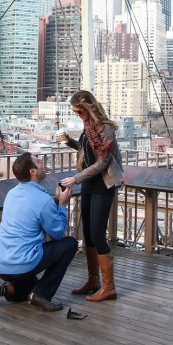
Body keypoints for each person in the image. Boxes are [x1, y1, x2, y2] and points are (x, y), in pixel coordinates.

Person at [0, 152, 77, 312]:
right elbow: (57, 233)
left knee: (29, 287)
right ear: (32, 171)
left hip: (1, 265)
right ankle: (42, 294)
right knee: (69, 244)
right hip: (23, 263)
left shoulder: (11, 194)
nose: (42, 163)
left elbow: (32, 213)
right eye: (38, 162)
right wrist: (61, 205)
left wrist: (53, 203)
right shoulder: (43, 200)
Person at [59, 90, 123, 302]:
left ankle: (109, 286)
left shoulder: (104, 128)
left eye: (79, 111)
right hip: (89, 184)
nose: (77, 114)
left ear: (87, 108)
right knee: (87, 233)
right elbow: (89, 152)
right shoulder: (88, 128)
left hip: (102, 186)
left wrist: (76, 179)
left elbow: (103, 161)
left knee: (97, 234)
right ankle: (93, 280)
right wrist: (70, 142)